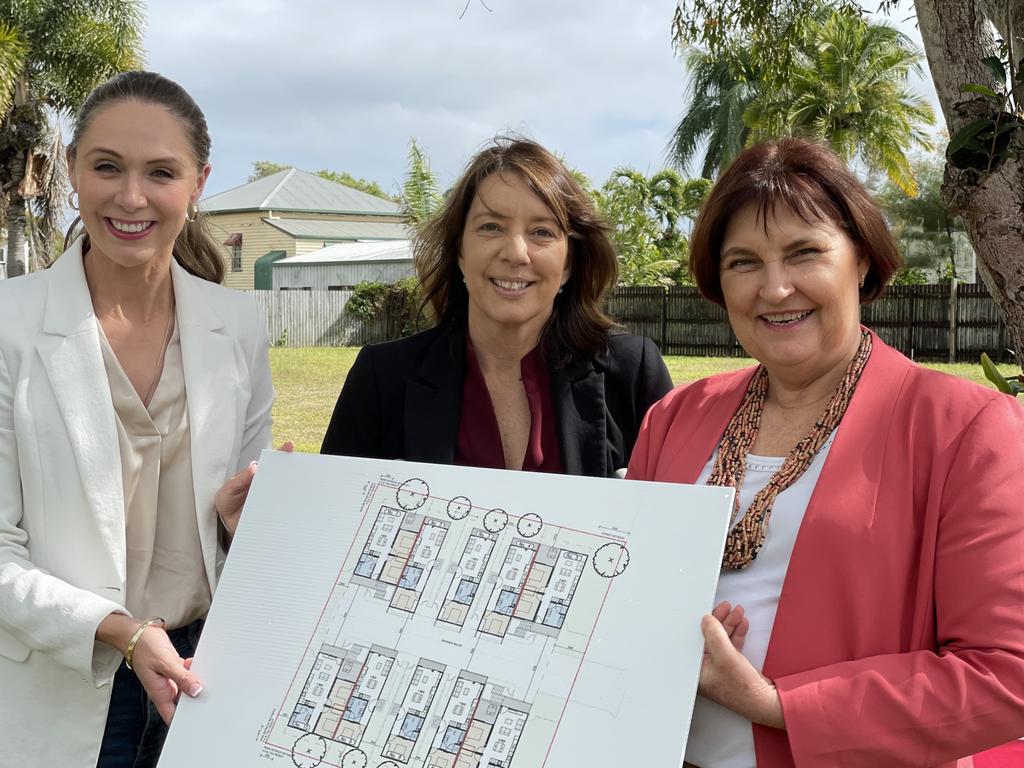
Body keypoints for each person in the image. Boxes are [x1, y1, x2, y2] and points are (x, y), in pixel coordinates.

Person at [627, 138, 1024, 767]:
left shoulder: (964, 429)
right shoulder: (675, 419)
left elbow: (1007, 676)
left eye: (805, 253)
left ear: (861, 260)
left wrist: (774, 703)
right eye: (743, 262)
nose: (775, 288)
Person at [0, 71, 275, 768]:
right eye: (106, 167)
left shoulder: (238, 324)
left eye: (161, 172)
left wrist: (246, 523)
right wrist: (121, 633)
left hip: (207, 674)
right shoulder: (9, 325)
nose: (131, 197)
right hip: (64, 684)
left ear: (199, 182)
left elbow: (245, 535)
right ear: (71, 170)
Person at [322, 137, 672, 477]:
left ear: (569, 264)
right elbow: (327, 519)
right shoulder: (382, 378)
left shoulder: (632, 373)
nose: (516, 253)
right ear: (459, 251)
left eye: (542, 232)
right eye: (491, 227)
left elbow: (680, 524)